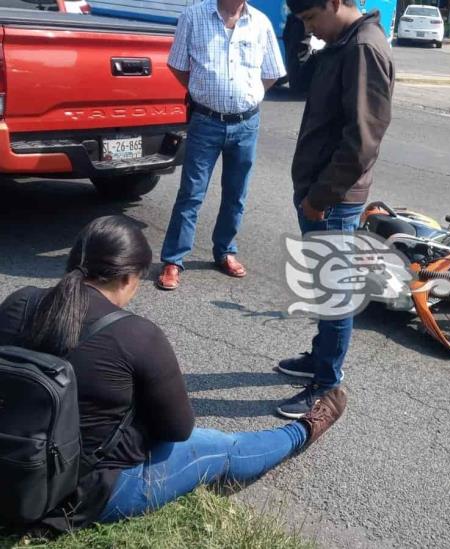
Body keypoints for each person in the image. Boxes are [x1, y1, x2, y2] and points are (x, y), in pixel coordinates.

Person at [0, 216, 346, 532]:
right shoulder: (136, 334)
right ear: (127, 277)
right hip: (86, 494)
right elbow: (177, 429)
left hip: (12, 467)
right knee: (221, 447)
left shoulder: (20, 301)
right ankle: (300, 431)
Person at [275, 0, 395, 418]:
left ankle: (326, 385)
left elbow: (363, 139)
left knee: (334, 295)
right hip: (318, 190)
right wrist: (297, 29)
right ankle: (319, 357)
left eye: (312, 18)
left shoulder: (363, 47)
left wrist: (319, 197)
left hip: (332, 198)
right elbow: (301, 82)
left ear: (333, 2)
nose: (312, 28)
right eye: (303, 21)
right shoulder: (341, 41)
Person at [157, 0, 287, 291]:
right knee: (191, 193)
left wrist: (248, 95)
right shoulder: (193, 16)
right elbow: (178, 66)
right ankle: (174, 260)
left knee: (236, 193)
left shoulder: (260, 22)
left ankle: (225, 250)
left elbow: (272, 72)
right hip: (206, 121)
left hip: (246, 124)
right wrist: (203, 90)